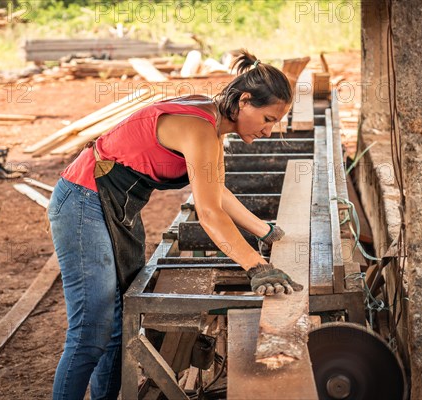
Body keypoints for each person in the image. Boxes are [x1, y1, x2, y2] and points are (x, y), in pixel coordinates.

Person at [47, 50, 304, 400]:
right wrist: (255, 266)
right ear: (245, 101)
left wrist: (264, 230)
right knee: (90, 332)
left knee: (117, 329)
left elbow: (217, 191)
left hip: (115, 207)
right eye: (268, 118)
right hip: (82, 200)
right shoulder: (199, 128)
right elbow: (209, 212)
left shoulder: (213, 125)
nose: (269, 131)